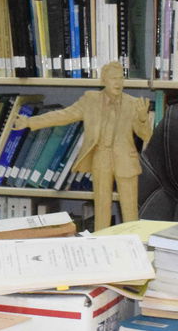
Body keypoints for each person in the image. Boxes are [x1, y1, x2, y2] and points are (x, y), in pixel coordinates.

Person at [11, 60, 154, 223]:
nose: (118, 83)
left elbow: (146, 136)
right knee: (102, 207)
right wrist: (30, 122)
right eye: (113, 78)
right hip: (101, 158)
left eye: (121, 78)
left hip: (126, 160)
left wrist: (143, 119)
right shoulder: (90, 100)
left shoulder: (133, 103)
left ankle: (131, 242)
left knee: (130, 209)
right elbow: (63, 115)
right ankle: (101, 241)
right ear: (103, 80)